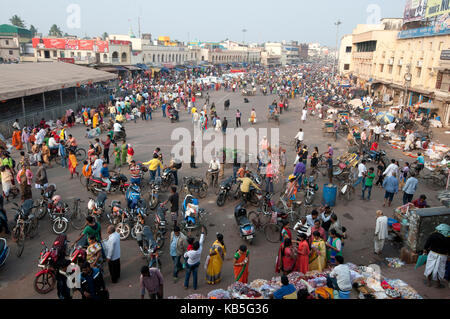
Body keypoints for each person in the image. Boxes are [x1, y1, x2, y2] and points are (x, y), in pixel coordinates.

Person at [423, 224, 450, 288]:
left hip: (433, 253)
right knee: (440, 269)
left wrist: (425, 250)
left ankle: (429, 282)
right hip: (443, 255)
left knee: (430, 267)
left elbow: (427, 244)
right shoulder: (448, 238)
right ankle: (438, 283)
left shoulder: (433, 235)